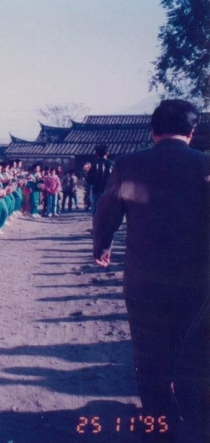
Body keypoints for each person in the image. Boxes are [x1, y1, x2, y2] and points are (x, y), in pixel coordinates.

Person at [93, 99, 210, 442]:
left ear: (152, 131)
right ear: (192, 131)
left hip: (144, 278)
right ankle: (197, 422)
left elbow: (108, 210)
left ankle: (158, 427)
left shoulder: (130, 164)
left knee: (150, 352)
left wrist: (102, 244)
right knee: (193, 349)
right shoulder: (205, 166)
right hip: (196, 280)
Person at [86, 144, 113, 214]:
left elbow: (89, 179)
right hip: (110, 191)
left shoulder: (94, 165)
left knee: (97, 212)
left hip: (97, 191)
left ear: (96, 154)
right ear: (107, 153)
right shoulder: (112, 164)